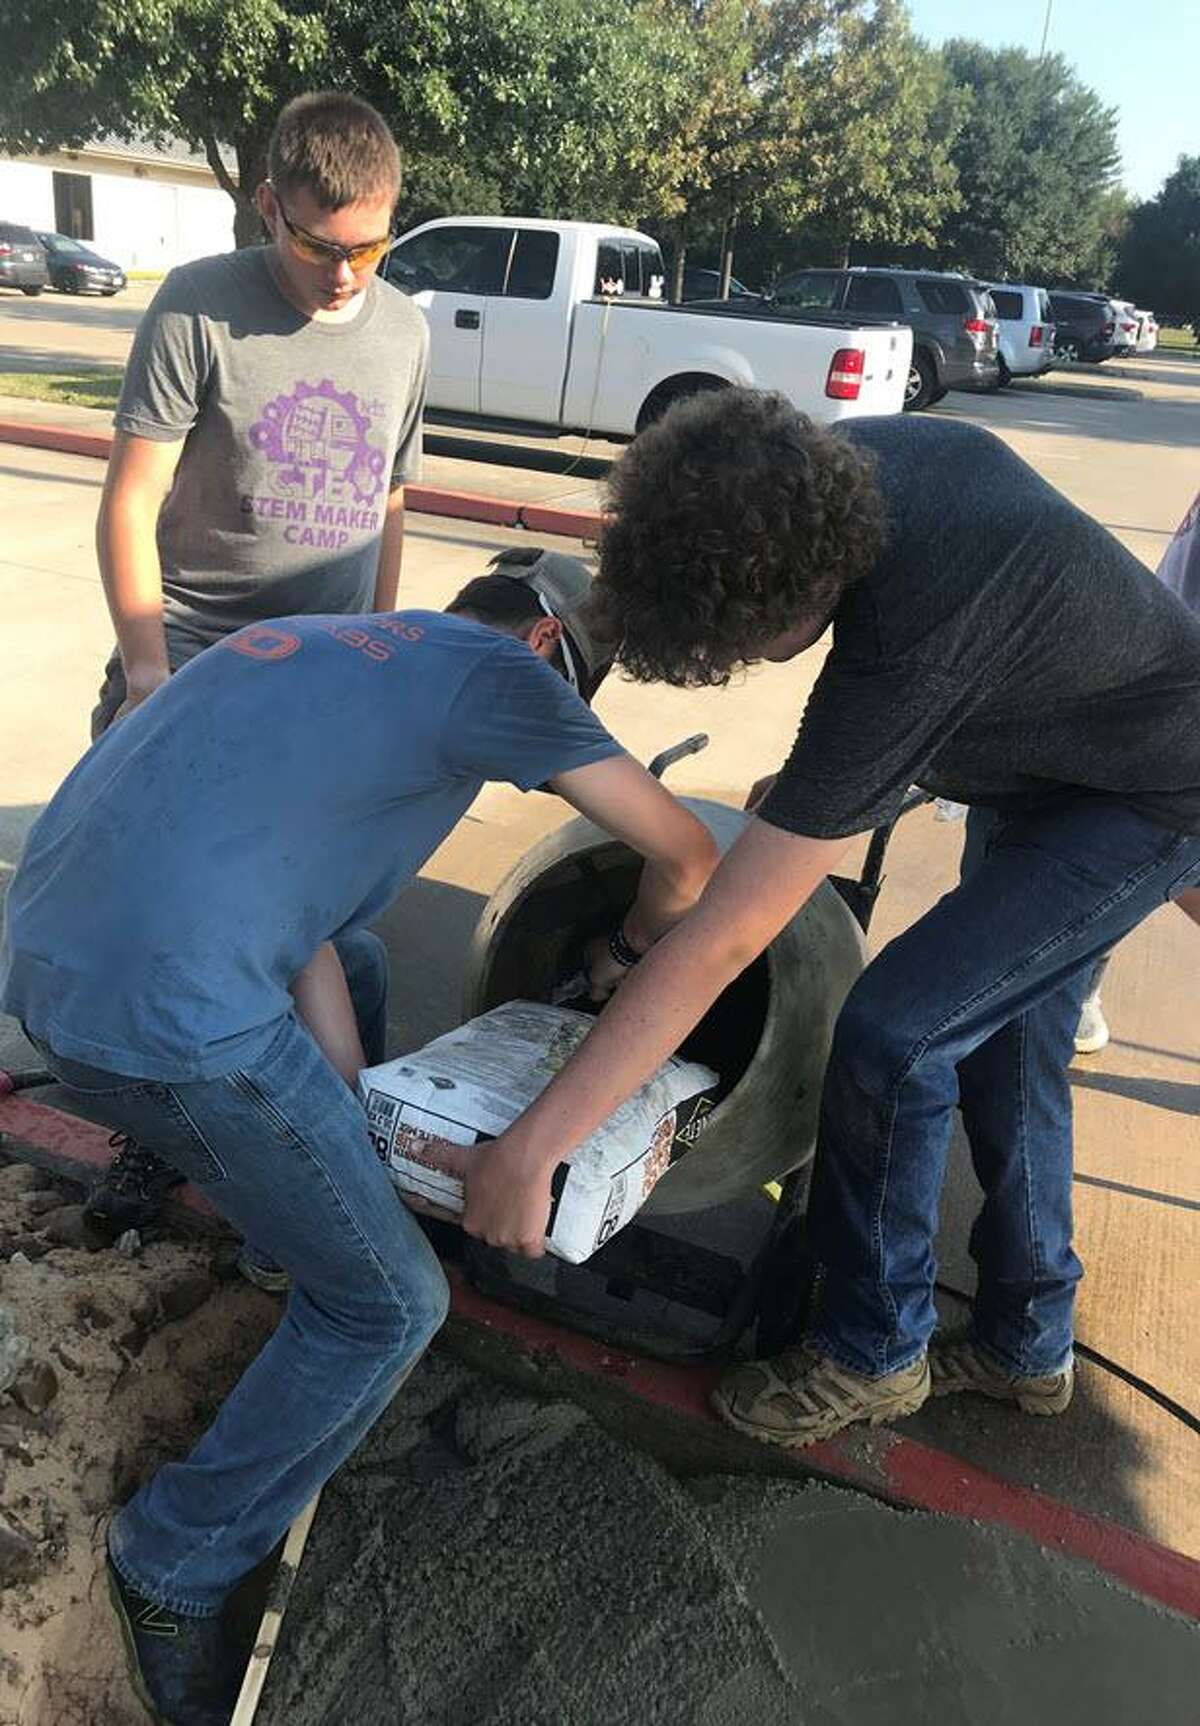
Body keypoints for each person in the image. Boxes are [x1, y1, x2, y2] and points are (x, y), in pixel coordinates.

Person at [0, 570, 719, 1724]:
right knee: (391, 1305)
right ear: (544, 641)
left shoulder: (318, 637)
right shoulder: (502, 674)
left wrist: (342, 1135)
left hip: (47, 964)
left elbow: (314, 935)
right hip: (157, 1022)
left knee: (368, 968)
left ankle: (296, 1245)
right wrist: (625, 958)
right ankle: (173, 1562)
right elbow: (688, 857)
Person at [450, 389, 1200, 1449]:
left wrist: (535, 1148)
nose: (755, 662)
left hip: (1147, 794)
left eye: (752, 648)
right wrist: (839, 784)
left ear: (798, 597)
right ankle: (1028, 1344)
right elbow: (982, 660)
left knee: (897, 1036)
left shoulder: (911, 630)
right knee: (1010, 1039)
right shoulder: (824, 475)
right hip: (1057, 749)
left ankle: (873, 1350)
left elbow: (724, 937)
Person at [86, 88, 430, 1238]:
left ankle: (325, 1153)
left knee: (301, 932)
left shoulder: (404, 330)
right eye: (319, 243)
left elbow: (388, 505)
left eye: (370, 245)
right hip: (190, 663)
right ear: (267, 202)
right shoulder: (198, 308)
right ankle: (162, 1134)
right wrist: (146, 672)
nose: (346, 273)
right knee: (171, 935)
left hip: (318, 678)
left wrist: (378, 655)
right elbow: (129, 506)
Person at [1074, 485, 1200, 1052]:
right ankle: (1077, 981)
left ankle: (1075, 980)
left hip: (1174, 713)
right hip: (1166, 690)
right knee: (1121, 852)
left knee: (1132, 852)